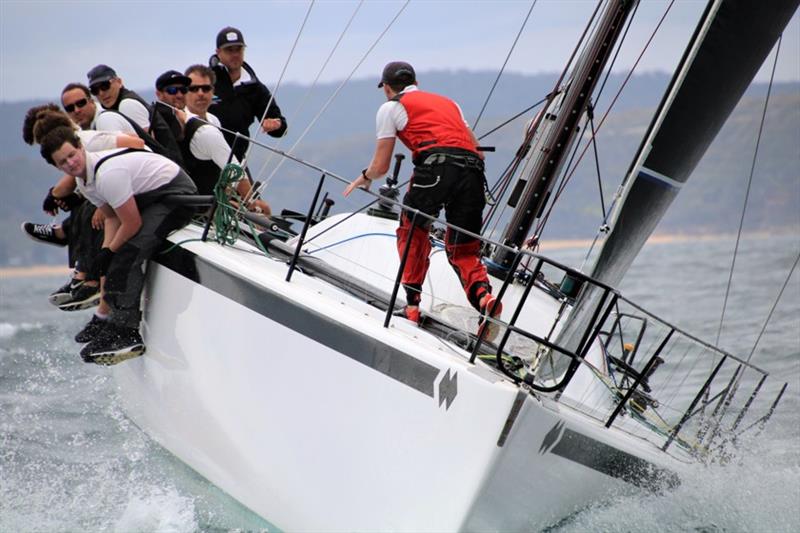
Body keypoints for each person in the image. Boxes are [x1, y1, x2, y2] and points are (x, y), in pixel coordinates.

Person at [344, 61, 503, 339]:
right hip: (473, 173)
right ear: (414, 81)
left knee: (413, 229)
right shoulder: (450, 104)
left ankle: (412, 306)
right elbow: (478, 151)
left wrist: (365, 176)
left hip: (435, 168)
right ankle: (484, 299)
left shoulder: (391, 107)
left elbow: (381, 167)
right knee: (463, 248)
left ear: (387, 88)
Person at [39, 126, 197, 364]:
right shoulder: (85, 183)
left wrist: (111, 251)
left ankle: (127, 333)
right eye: (63, 162)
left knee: (126, 255)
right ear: (56, 167)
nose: (71, 163)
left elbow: (131, 223)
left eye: (72, 155)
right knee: (113, 257)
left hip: (177, 196)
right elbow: (112, 218)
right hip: (152, 197)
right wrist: (103, 254)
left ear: (81, 147)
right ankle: (112, 322)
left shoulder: (107, 175)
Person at [21, 106, 145, 312]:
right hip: (116, 182)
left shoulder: (86, 141)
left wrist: (56, 194)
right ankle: (80, 271)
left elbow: (137, 143)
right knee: (84, 201)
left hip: (134, 180)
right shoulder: (77, 153)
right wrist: (56, 194)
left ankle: (87, 277)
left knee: (93, 212)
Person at [182, 64, 270, 214]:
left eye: (206, 88)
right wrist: (254, 208)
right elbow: (234, 172)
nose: (201, 93)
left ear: (213, 92)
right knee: (265, 210)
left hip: (214, 199)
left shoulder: (212, 119)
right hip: (200, 209)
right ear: (184, 92)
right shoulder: (204, 131)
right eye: (194, 89)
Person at [209, 26, 287, 160]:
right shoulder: (205, 81)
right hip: (203, 158)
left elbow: (281, 128)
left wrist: (276, 125)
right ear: (218, 52)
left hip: (235, 159)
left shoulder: (255, 88)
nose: (235, 54)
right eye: (229, 50)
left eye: (238, 49)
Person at [87, 64, 184, 166]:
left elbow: (149, 145)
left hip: (166, 169)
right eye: (95, 90)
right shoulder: (121, 105)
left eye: (105, 86)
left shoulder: (127, 105)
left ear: (119, 82)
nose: (101, 93)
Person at [154, 70, 189, 142]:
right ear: (159, 94)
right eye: (172, 90)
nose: (179, 95)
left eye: (183, 90)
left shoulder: (185, 114)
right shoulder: (157, 117)